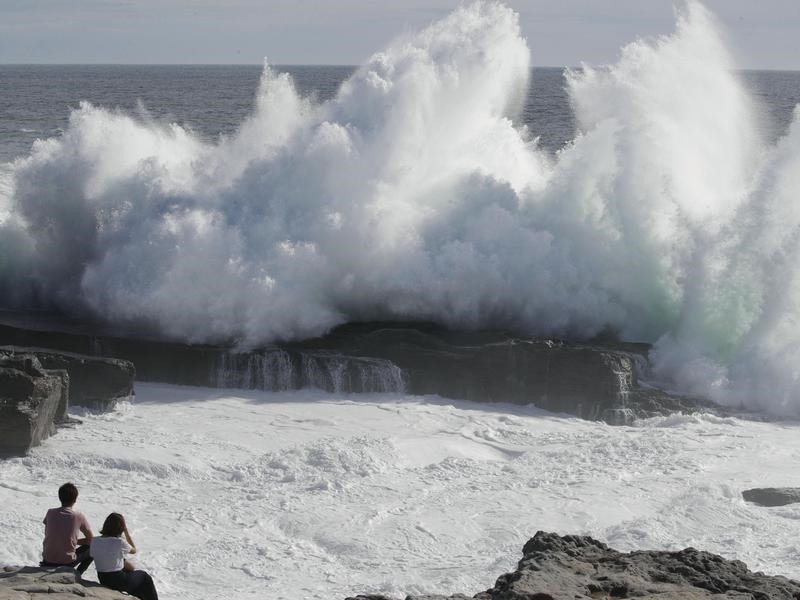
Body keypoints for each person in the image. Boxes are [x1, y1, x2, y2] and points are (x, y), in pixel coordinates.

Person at [91, 512, 159, 600]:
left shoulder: (94, 541)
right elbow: (134, 550)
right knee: (145, 576)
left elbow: (97, 556)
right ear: (121, 528)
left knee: (132, 578)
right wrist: (126, 532)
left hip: (103, 579)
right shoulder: (119, 542)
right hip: (119, 581)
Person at [41, 482, 94, 575]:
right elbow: (91, 540)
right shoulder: (78, 516)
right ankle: (77, 574)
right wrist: (75, 541)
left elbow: (48, 534)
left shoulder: (50, 512)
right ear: (75, 499)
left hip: (47, 561)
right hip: (66, 563)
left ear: (59, 497)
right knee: (93, 547)